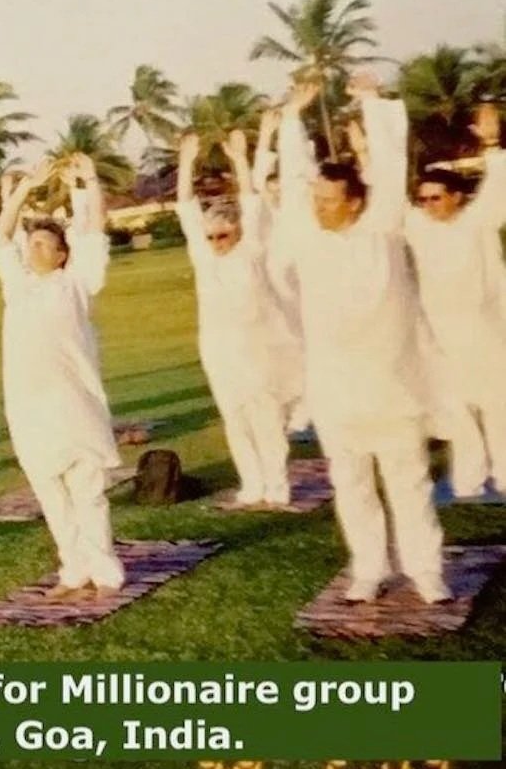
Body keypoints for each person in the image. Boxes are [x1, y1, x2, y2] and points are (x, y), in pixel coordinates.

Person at [277, 75, 449, 604]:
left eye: (330, 201)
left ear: (355, 202)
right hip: (335, 390)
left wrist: (373, 103)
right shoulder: (307, 236)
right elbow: (294, 176)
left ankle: (426, 572)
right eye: (317, 199)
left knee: (408, 481)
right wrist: (292, 117)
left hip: (393, 384)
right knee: (350, 483)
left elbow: (392, 167)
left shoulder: (383, 228)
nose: (319, 207)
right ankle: (369, 569)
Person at [0, 155, 124, 598]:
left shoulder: (78, 282)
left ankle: (105, 571)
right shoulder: (17, 285)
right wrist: (23, 191)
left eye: (45, 244)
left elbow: (94, 232)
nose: (34, 250)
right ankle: (73, 569)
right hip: (28, 406)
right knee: (50, 493)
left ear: (63, 255)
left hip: (75, 402)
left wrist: (89, 182)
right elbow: (0, 236)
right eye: (32, 244)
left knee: (87, 490)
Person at [175, 129, 301, 506]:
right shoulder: (203, 256)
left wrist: (240, 160)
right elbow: (185, 207)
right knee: (234, 417)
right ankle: (252, 483)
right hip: (219, 349)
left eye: (223, 236)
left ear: (238, 232)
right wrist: (186, 161)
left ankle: (276, 485)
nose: (216, 242)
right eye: (211, 237)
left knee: (266, 415)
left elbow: (250, 201)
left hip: (258, 345)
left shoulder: (252, 250)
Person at [401, 103, 506, 497]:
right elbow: (387, 197)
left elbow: (499, 184)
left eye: (436, 198)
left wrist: (492, 144)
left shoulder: (479, 220)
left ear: (457, 197)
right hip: (441, 334)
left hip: (488, 330)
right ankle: (469, 478)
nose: (429, 206)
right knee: (457, 408)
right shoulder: (418, 225)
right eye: (423, 199)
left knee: (498, 404)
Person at [252, 108, 312, 434]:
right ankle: (291, 410)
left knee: (308, 346)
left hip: (301, 284)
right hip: (272, 286)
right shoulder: (263, 213)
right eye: (271, 188)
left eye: (279, 187)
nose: (275, 192)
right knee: (280, 350)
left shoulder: (298, 212)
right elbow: (256, 182)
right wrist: (265, 135)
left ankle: (306, 410)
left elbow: (300, 170)